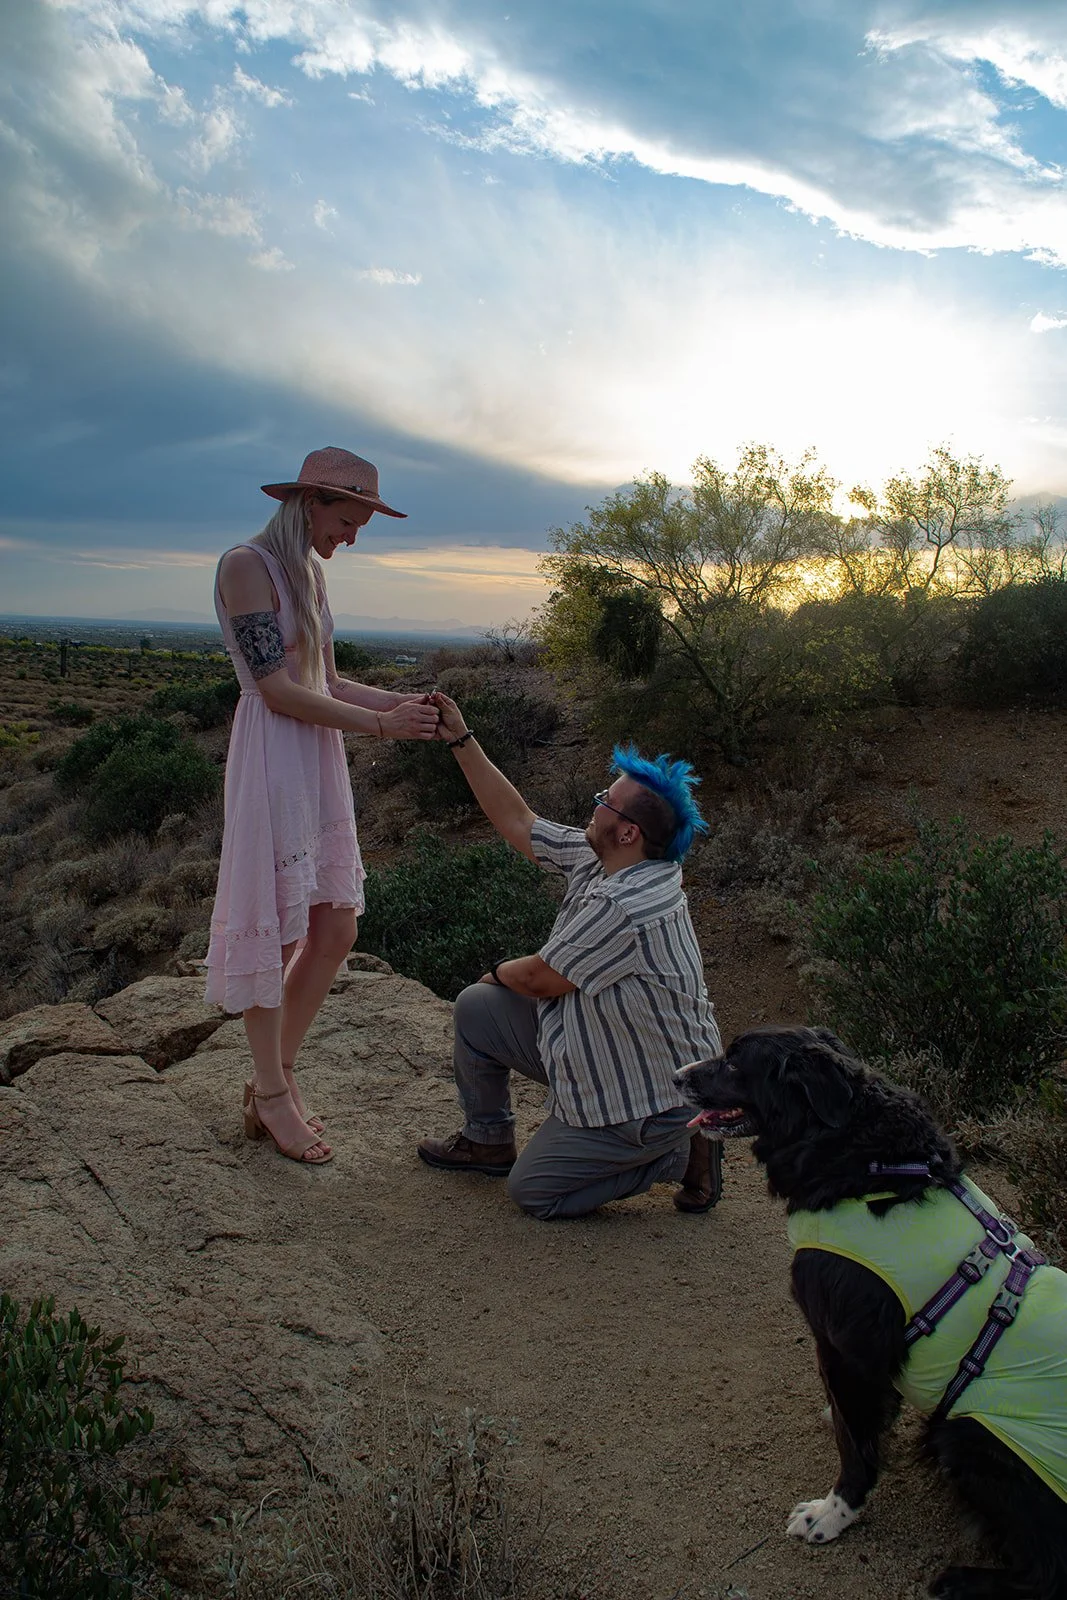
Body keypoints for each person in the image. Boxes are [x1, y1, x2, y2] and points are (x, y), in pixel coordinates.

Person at [205, 447, 439, 1164]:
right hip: (274, 753)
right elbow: (275, 687)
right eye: (347, 519)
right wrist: (379, 726)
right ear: (310, 502)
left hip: (314, 756)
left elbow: (328, 681)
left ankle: (277, 1077)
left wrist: (405, 705)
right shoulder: (246, 565)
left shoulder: (306, 570)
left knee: (334, 927)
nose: (353, 535)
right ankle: (272, 1094)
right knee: (277, 930)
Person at [417, 693, 723, 1218]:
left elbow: (538, 979)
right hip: (607, 1043)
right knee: (476, 1007)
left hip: (652, 1093)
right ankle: (488, 1140)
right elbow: (518, 821)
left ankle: (674, 1152)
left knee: (533, 1192)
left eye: (606, 799)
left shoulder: (627, 903)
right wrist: (461, 740)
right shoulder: (608, 858)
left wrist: (496, 970)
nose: (596, 801)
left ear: (628, 831)